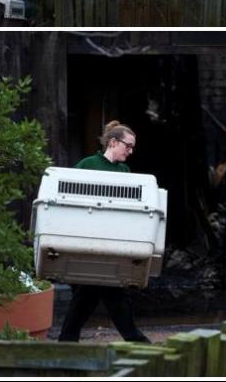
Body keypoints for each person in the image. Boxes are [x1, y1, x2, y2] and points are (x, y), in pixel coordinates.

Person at [55, 121, 152, 343]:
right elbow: (67, 196)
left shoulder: (125, 171)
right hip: (86, 238)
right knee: (105, 290)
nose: (131, 151)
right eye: (128, 146)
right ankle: (135, 339)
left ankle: (67, 340)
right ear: (113, 142)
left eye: (132, 147)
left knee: (94, 291)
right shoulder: (88, 164)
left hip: (112, 239)